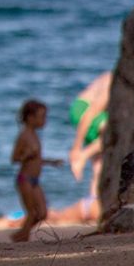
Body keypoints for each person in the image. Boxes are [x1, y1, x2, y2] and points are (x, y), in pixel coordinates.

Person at [10, 99, 61, 242]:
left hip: (35, 180)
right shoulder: (24, 135)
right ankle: (21, 239)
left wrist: (51, 162)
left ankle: (19, 235)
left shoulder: (35, 135)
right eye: (42, 117)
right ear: (30, 118)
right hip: (24, 179)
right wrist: (26, 155)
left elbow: (36, 159)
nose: (45, 120)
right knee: (32, 213)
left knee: (43, 213)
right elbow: (14, 158)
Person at [68, 70, 111, 221]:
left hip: (91, 115)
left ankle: (94, 200)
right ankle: (82, 156)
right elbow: (89, 115)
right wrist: (76, 148)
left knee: (100, 161)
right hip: (82, 110)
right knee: (112, 132)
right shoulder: (111, 82)